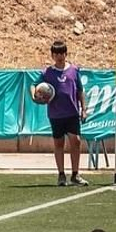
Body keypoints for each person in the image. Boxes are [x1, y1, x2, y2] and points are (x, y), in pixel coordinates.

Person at [38, 39, 87, 186]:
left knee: (76, 141)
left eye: (62, 53)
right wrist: (36, 96)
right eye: (56, 53)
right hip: (56, 114)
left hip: (72, 112)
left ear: (66, 54)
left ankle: (75, 174)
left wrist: (84, 109)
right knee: (59, 143)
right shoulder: (47, 73)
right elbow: (34, 86)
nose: (59, 56)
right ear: (52, 55)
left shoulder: (73, 70)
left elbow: (80, 90)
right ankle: (61, 175)